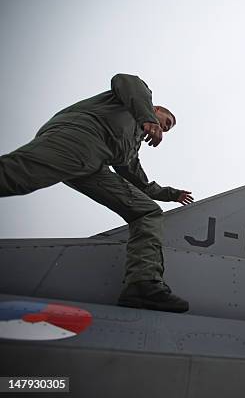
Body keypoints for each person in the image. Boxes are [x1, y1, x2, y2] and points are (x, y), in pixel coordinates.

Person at [0, 73, 193, 313]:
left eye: (169, 127)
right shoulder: (131, 100)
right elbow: (127, 80)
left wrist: (172, 194)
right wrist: (146, 117)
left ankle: (143, 285)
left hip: (92, 167)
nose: (166, 126)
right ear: (155, 109)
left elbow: (140, 181)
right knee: (17, 175)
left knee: (147, 211)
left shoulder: (130, 148)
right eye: (167, 121)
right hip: (79, 138)